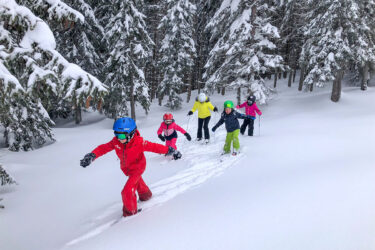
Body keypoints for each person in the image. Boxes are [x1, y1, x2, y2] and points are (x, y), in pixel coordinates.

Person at [80, 117, 182, 217]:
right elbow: (103, 148)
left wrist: (171, 151)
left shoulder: (139, 142)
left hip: (138, 168)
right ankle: (146, 195)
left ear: (131, 134)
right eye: (117, 135)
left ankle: (130, 214)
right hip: (126, 168)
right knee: (137, 181)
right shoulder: (116, 142)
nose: (119, 139)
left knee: (127, 191)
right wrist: (92, 155)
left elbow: (155, 147)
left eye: (122, 136)